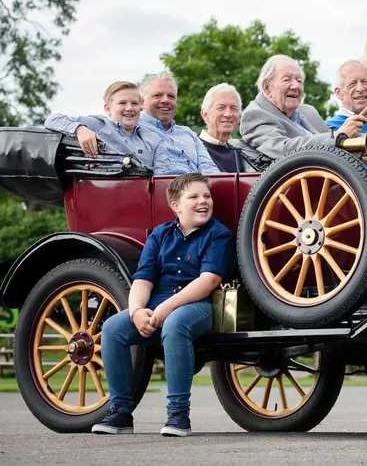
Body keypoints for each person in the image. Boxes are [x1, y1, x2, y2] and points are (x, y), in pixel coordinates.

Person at [93, 173, 232, 437]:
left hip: (202, 305)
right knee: (112, 328)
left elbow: (209, 280)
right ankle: (120, 412)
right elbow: (143, 279)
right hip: (156, 307)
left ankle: (178, 415)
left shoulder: (218, 234)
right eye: (194, 197)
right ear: (175, 205)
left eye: (207, 196)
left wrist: (165, 309)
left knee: (176, 323)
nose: (203, 201)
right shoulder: (159, 235)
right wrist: (135, 312)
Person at [240, 55, 362, 159]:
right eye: (287, 80)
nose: (295, 86)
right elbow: (283, 150)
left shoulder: (308, 111)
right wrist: (337, 136)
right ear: (267, 87)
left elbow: (335, 145)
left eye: (299, 81)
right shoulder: (255, 115)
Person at [44, 81, 163, 168]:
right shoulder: (99, 125)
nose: (129, 108)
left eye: (134, 103)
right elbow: (52, 119)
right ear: (108, 108)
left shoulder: (150, 138)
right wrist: (79, 129)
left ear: (141, 107)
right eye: (122, 103)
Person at [140, 72, 220, 175]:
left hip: (196, 188)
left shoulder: (188, 134)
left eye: (171, 96)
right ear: (142, 102)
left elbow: (209, 170)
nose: (165, 100)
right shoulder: (133, 130)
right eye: (157, 95)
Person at [197, 82, 257, 172]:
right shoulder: (193, 149)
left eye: (233, 108)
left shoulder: (245, 151)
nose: (228, 114)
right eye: (221, 108)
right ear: (205, 114)